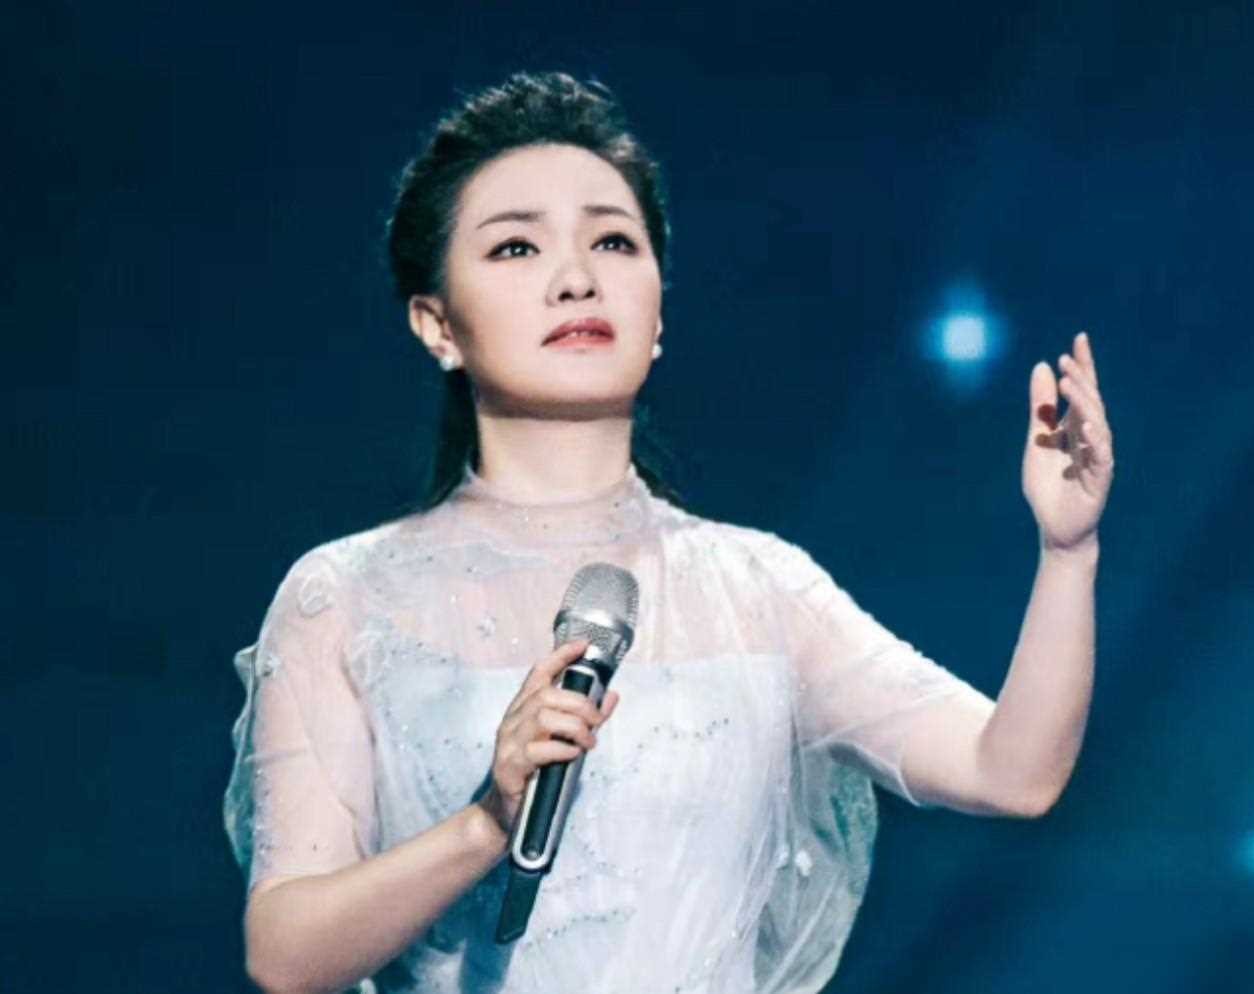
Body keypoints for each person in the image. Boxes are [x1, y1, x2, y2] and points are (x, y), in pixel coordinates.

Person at [223, 70, 1115, 994]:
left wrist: (1067, 552)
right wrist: (487, 820)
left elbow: (1012, 771)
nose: (577, 279)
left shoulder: (759, 588)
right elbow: (286, 953)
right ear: (436, 323)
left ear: (655, 314)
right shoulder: (346, 597)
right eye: (517, 247)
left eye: (612, 241)